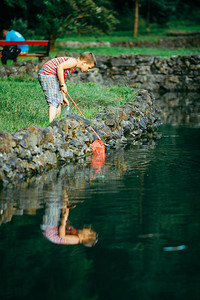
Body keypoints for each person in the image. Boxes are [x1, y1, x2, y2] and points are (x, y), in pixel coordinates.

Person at [38, 52, 96, 123]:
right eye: (89, 67)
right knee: (53, 101)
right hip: (48, 74)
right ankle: (50, 124)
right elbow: (59, 67)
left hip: (52, 76)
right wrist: (62, 84)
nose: (88, 70)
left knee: (59, 101)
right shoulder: (73, 62)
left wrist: (63, 97)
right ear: (84, 63)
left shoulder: (71, 68)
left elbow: (62, 80)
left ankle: (56, 122)